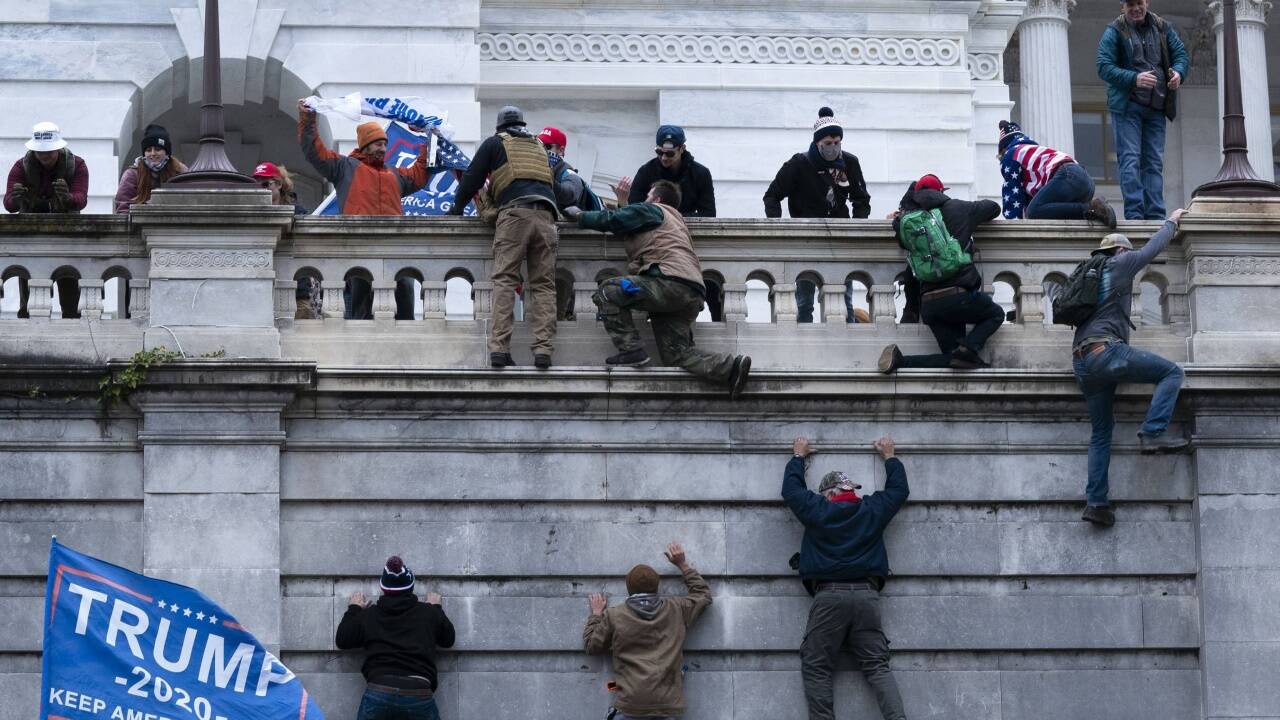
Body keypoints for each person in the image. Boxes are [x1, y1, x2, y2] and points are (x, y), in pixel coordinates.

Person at [566, 179, 752, 398]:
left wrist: (580, 216)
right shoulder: (675, 220)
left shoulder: (653, 209)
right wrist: (624, 203)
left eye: (647, 196)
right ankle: (730, 368)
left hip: (667, 283)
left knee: (608, 291)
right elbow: (634, 226)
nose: (645, 200)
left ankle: (631, 350)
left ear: (656, 198)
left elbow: (615, 220)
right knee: (676, 355)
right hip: (690, 291)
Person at [1072, 209, 1189, 528]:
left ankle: (1096, 503)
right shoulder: (1120, 263)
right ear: (1120, 250)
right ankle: (1152, 433)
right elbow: (1151, 249)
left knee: (1101, 432)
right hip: (1106, 352)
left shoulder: (1090, 273)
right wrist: (1173, 222)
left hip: (1082, 360)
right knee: (1172, 373)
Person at [784, 435, 909, 720]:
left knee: (816, 665)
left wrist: (798, 457)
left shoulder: (818, 510)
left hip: (829, 597)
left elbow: (791, 491)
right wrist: (890, 456)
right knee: (877, 667)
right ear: (848, 490)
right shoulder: (871, 509)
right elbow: (899, 491)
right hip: (867, 597)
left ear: (829, 493)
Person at [297, 99, 432, 320]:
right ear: (365, 145)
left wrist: (429, 137)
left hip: (395, 249)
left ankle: (405, 341)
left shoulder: (394, 174)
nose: (384, 149)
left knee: (405, 289)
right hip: (359, 248)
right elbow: (314, 150)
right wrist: (308, 118)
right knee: (361, 301)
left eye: (385, 144)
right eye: (379, 144)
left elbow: (420, 173)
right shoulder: (344, 167)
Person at [451, 106, 560, 369]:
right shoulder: (539, 147)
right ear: (522, 125)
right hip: (546, 216)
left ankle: (500, 349)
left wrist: (456, 209)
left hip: (515, 215)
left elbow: (471, 179)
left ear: (499, 127)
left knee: (505, 280)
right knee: (544, 285)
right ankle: (543, 351)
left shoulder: (495, 143)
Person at [879, 173, 1004, 372]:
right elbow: (994, 208)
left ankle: (901, 362)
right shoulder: (958, 208)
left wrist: (900, 215)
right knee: (996, 314)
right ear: (940, 192)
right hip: (959, 296)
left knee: (955, 359)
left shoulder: (907, 222)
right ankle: (970, 347)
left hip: (929, 304)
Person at [764, 107, 872, 324]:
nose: (833, 148)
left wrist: (856, 227)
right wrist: (779, 228)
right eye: (828, 144)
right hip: (806, 239)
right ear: (817, 143)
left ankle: (847, 340)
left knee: (844, 299)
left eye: (837, 142)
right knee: (804, 300)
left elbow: (861, 198)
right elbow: (772, 196)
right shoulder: (799, 163)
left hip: (840, 237)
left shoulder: (849, 163)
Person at [583, 542, 712, 720]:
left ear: (629, 588)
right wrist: (682, 564)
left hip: (629, 705)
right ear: (656, 586)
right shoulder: (677, 609)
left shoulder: (614, 615)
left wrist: (596, 615)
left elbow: (592, 646)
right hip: (667, 706)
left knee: (611, 688)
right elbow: (703, 595)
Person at [1096, 0, 1189, 220]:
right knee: (1130, 160)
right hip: (1128, 106)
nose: (1135, 8)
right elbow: (1103, 66)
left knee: (1154, 162)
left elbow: (1181, 55)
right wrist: (1134, 78)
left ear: (1147, 3)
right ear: (1122, 7)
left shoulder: (1163, 27)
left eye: (1139, 3)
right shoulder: (1114, 30)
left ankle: (1156, 215)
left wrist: (1178, 73)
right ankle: (1135, 215)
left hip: (1156, 107)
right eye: (1130, 5)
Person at [335, 555, 455, 720]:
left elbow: (343, 640)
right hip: (418, 692)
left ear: (384, 589)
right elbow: (448, 640)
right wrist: (436, 608)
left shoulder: (369, 615)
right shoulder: (428, 613)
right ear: (411, 587)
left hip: (379, 690)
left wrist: (354, 608)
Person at [5, 121, 90, 318]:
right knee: (29, 290)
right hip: (31, 236)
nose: (44, 156)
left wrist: (67, 198)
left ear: (59, 148)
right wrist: (16, 198)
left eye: (49, 152)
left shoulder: (77, 165)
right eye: (40, 152)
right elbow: (9, 204)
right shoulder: (21, 167)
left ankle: (71, 321)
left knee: (69, 290)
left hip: (66, 237)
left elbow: (81, 199)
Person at [537, 126, 603, 321]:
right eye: (539, 146)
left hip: (572, 255)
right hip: (548, 249)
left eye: (548, 146)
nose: (543, 150)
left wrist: (547, 178)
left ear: (561, 150)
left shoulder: (568, 174)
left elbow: (569, 195)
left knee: (565, 312)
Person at [998, 120, 1116, 228]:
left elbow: (1012, 193)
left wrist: (1014, 225)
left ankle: (1092, 208)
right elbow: (1034, 200)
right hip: (1085, 182)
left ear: (1003, 150)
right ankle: (1095, 211)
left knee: (1033, 211)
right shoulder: (1031, 152)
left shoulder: (1011, 154)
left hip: (1068, 176)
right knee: (1046, 210)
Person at [611, 125, 715, 217]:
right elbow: (633, 210)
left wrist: (669, 217)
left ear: (682, 149)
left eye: (670, 154)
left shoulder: (701, 174)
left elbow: (709, 214)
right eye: (659, 152)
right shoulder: (646, 171)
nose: (664, 158)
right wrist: (622, 200)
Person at [114, 124, 187, 213]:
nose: (153, 153)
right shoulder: (132, 175)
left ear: (166, 152)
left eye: (157, 149)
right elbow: (123, 207)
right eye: (148, 150)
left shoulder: (180, 171)